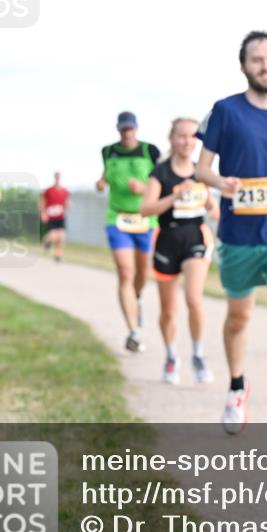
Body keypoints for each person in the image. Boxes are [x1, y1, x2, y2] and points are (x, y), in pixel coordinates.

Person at [195, 30, 267, 448]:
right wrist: (220, 181)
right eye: (258, 60)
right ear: (244, 65)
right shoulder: (225, 111)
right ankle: (237, 385)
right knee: (240, 317)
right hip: (239, 233)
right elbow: (200, 168)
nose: (266, 66)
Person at [141, 117, 218, 386]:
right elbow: (146, 209)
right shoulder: (160, 173)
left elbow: (211, 205)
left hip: (195, 236)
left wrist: (214, 207)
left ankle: (198, 355)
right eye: (182, 136)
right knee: (168, 310)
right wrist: (175, 195)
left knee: (194, 299)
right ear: (172, 139)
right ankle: (172, 355)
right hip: (167, 240)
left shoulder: (201, 171)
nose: (187, 142)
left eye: (192, 137)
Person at [97, 112, 161, 353]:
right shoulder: (107, 152)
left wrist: (144, 188)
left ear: (136, 128)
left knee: (142, 273)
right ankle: (133, 331)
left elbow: (161, 182)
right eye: (123, 129)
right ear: (118, 130)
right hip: (118, 218)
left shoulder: (149, 151)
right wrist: (100, 183)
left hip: (145, 218)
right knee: (125, 272)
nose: (127, 133)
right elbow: (105, 175)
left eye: (130, 129)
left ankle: (137, 298)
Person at [40, 171, 70, 262]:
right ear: (54, 178)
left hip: (60, 217)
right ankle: (47, 242)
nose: (58, 179)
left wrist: (68, 208)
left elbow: (67, 202)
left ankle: (58, 255)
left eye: (59, 177)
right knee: (53, 236)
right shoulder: (48, 191)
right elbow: (42, 202)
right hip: (51, 217)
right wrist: (43, 213)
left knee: (62, 236)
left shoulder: (65, 191)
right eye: (56, 177)